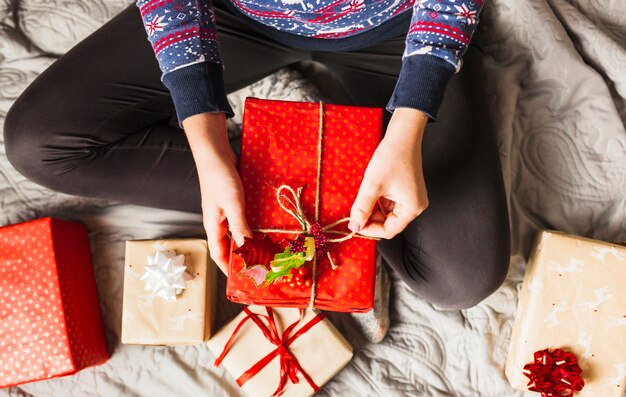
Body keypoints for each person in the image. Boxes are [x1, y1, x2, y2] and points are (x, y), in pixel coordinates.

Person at [3, 0, 510, 341]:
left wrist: (408, 129)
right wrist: (207, 148)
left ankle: (330, 217)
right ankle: (325, 224)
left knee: (460, 280)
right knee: (38, 144)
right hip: (231, 18)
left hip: (398, 30)